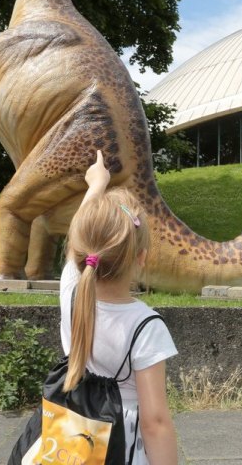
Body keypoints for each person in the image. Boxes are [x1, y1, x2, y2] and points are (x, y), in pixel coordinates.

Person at [60, 150, 178, 465]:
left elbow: (78, 241)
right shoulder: (146, 326)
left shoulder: (72, 291)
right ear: (140, 258)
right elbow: (155, 423)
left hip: (73, 440)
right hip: (123, 448)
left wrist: (96, 185)